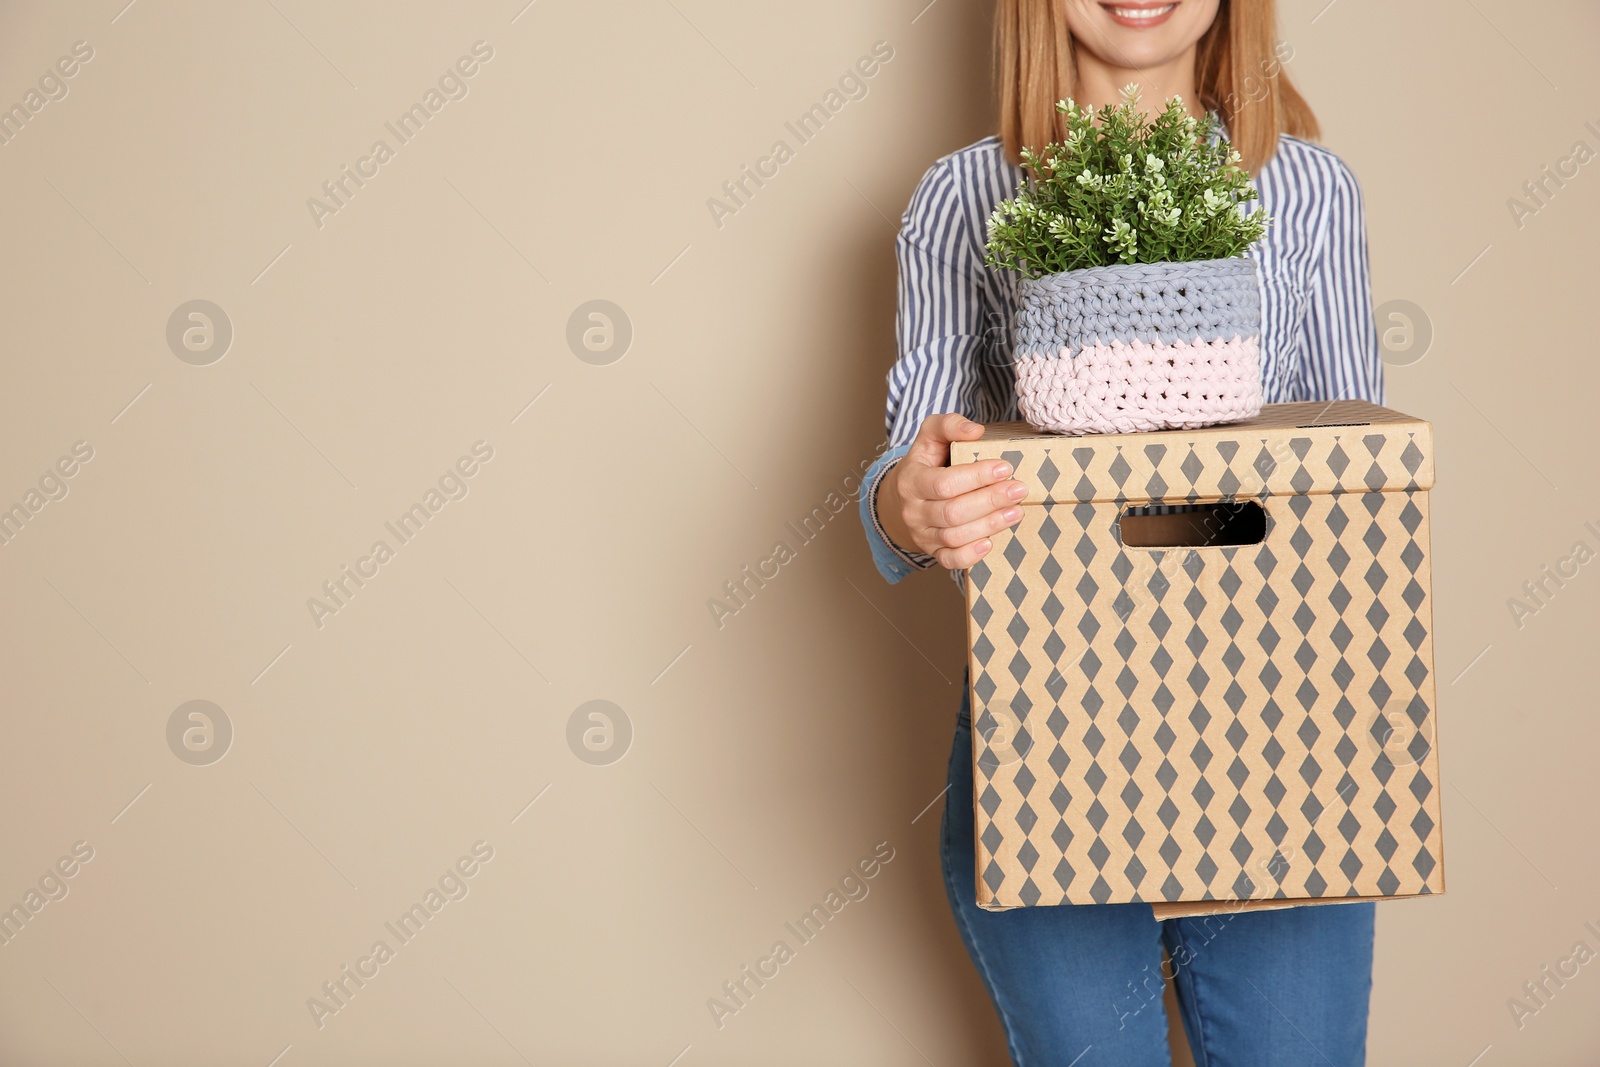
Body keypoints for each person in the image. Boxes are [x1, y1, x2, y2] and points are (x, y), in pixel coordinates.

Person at [858, 1, 1382, 1064]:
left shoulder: (1310, 189)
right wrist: (906, 503)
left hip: (1282, 725)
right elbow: (907, 460)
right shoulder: (964, 196)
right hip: (1047, 720)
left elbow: (1354, 477)